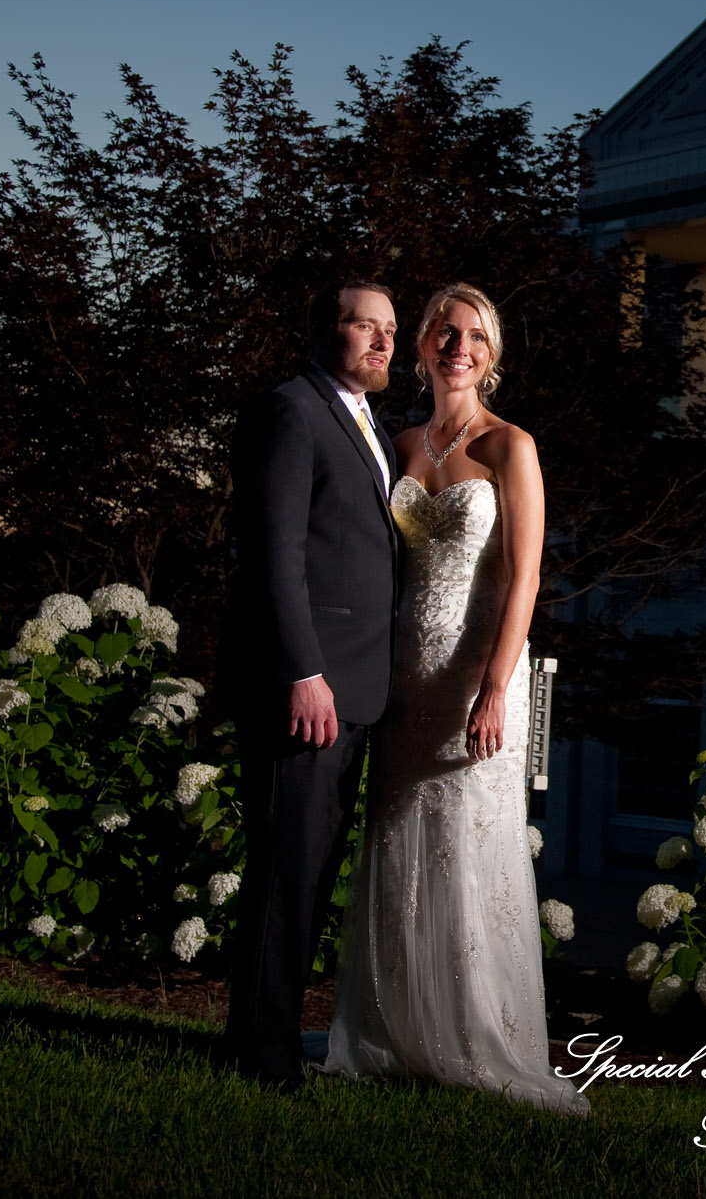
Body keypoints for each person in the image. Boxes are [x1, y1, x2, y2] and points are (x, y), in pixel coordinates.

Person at [322, 283, 589, 1116]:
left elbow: (526, 578)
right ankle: (394, 1032)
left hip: (473, 679)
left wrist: (496, 688)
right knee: (400, 847)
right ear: (422, 345)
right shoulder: (399, 442)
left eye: (473, 335)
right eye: (444, 331)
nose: (457, 347)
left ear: (491, 354)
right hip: (400, 678)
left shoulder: (512, 446)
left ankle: (474, 1039)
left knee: (467, 849)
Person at [224, 280, 401, 1088]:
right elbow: (274, 553)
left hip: (357, 688)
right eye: (365, 325)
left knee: (312, 871)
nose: (383, 341)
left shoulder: (370, 425)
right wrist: (303, 671)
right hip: (308, 689)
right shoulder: (291, 411)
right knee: (286, 872)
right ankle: (261, 1057)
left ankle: (270, 1038)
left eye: (389, 328)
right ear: (324, 329)